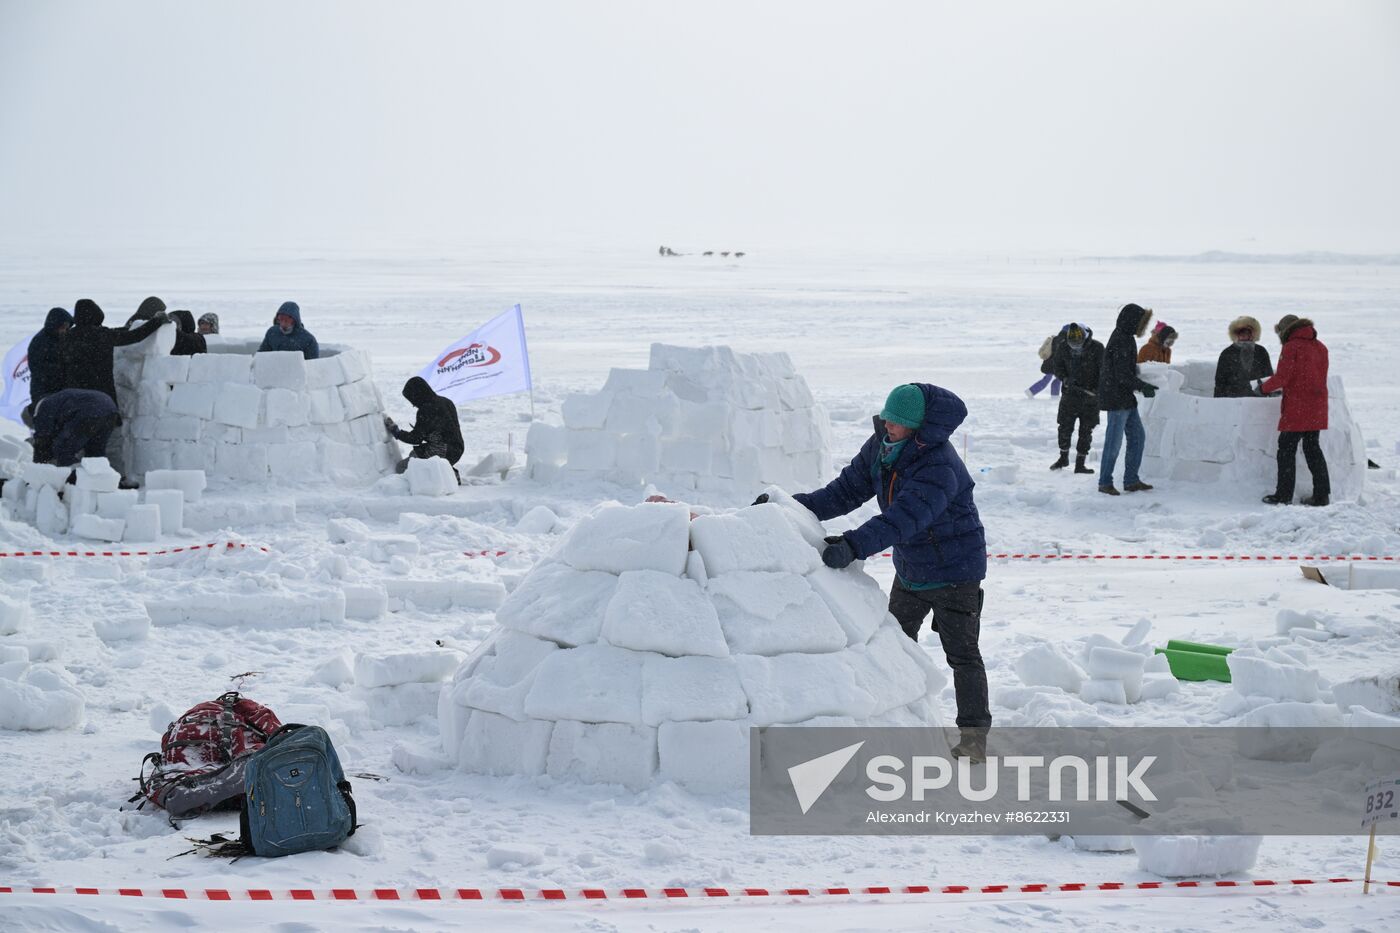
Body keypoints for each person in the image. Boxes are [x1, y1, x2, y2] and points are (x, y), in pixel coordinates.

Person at [783, 383, 989, 760]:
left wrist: (853, 545)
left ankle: (974, 739)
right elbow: (844, 491)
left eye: (897, 423)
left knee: (962, 656)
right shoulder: (882, 446)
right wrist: (792, 509)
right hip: (912, 569)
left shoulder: (939, 465)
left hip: (955, 573)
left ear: (918, 427)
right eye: (886, 419)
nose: (887, 427)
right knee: (891, 645)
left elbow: (902, 519)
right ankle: (903, 725)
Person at [1260, 315, 1329, 506]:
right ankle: (1322, 494)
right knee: (1313, 449)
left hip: (1298, 407)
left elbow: (1283, 377)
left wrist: (1262, 389)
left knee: (1286, 450)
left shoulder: (1291, 346)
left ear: (1285, 330)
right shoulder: (1320, 346)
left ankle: (1283, 495)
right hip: (1317, 406)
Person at [1097, 303, 1158, 495]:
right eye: (1141, 322)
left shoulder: (1126, 337)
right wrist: (1142, 386)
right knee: (1113, 443)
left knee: (1137, 437)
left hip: (1125, 397)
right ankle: (1105, 482)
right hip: (1116, 399)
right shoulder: (1121, 339)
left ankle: (1131, 480)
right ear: (1133, 321)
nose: (1143, 326)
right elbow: (1122, 374)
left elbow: (1126, 371)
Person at [64, 298, 168, 403]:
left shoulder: (68, 336)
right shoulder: (102, 335)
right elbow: (135, 336)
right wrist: (157, 321)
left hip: (74, 394)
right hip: (101, 393)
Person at [384, 376, 465, 479]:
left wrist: (396, 432)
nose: (413, 404)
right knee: (414, 454)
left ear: (417, 395)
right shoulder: (446, 401)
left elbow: (416, 438)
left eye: (411, 399)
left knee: (402, 468)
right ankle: (446, 471)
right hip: (458, 447)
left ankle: (448, 476)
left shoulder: (427, 409)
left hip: (444, 450)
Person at [1049, 322, 1103, 473]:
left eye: (1078, 344)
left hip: (1090, 399)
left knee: (1086, 431)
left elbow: (1103, 371)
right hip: (1070, 396)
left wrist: (1096, 389)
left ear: (1085, 338)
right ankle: (1063, 457)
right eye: (1072, 344)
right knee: (1064, 427)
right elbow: (1057, 366)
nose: (1075, 346)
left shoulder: (1097, 348)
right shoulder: (1063, 347)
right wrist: (1065, 378)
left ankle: (1080, 463)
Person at [30, 388, 121, 468]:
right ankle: (101, 481)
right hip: (110, 408)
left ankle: (73, 480)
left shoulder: (43, 407)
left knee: (63, 449)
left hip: (90, 411)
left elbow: (42, 438)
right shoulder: (57, 399)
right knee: (95, 453)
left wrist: (38, 465)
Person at [26, 307, 73, 412]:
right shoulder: (40, 341)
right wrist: (64, 369)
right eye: (63, 327)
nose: (65, 330)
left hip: (60, 391)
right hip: (44, 391)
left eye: (67, 327)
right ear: (55, 325)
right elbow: (39, 368)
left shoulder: (62, 339)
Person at [1213, 315, 1273, 398]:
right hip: (1233, 400)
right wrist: (1218, 403)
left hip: (1257, 400)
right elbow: (1220, 382)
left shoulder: (1261, 352)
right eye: (1241, 332)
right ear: (1236, 334)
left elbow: (1268, 377)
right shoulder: (1227, 353)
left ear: (1253, 334)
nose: (1244, 335)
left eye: (1247, 332)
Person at [1024, 333, 1062, 398]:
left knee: (1055, 379)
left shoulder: (1054, 339)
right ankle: (1031, 391)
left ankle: (1054, 395)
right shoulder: (1061, 341)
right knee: (1052, 379)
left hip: (1050, 362)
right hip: (1052, 363)